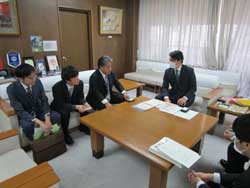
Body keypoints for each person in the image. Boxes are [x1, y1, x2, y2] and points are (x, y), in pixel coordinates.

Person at [188, 114, 250, 188]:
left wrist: (199, 184)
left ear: (247, 145)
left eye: (236, 138)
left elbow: (243, 179)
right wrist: (209, 176)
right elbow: (240, 177)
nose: (234, 140)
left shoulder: (245, 181)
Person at [7, 64, 60, 141]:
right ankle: (36, 143)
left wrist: (47, 119)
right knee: (27, 126)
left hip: (39, 111)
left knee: (56, 116)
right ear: (20, 79)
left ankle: (52, 139)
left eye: (35, 76)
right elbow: (20, 110)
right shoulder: (12, 89)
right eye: (30, 78)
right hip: (26, 114)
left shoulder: (37, 81)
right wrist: (40, 123)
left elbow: (44, 100)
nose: (34, 79)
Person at [50, 65, 92, 145]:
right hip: (60, 106)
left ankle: (83, 127)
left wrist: (84, 103)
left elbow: (80, 98)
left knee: (85, 108)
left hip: (72, 103)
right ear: (67, 80)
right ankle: (66, 134)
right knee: (65, 113)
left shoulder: (80, 83)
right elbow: (61, 104)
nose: (78, 79)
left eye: (77, 76)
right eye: (75, 77)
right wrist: (76, 106)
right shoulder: (57, 87)